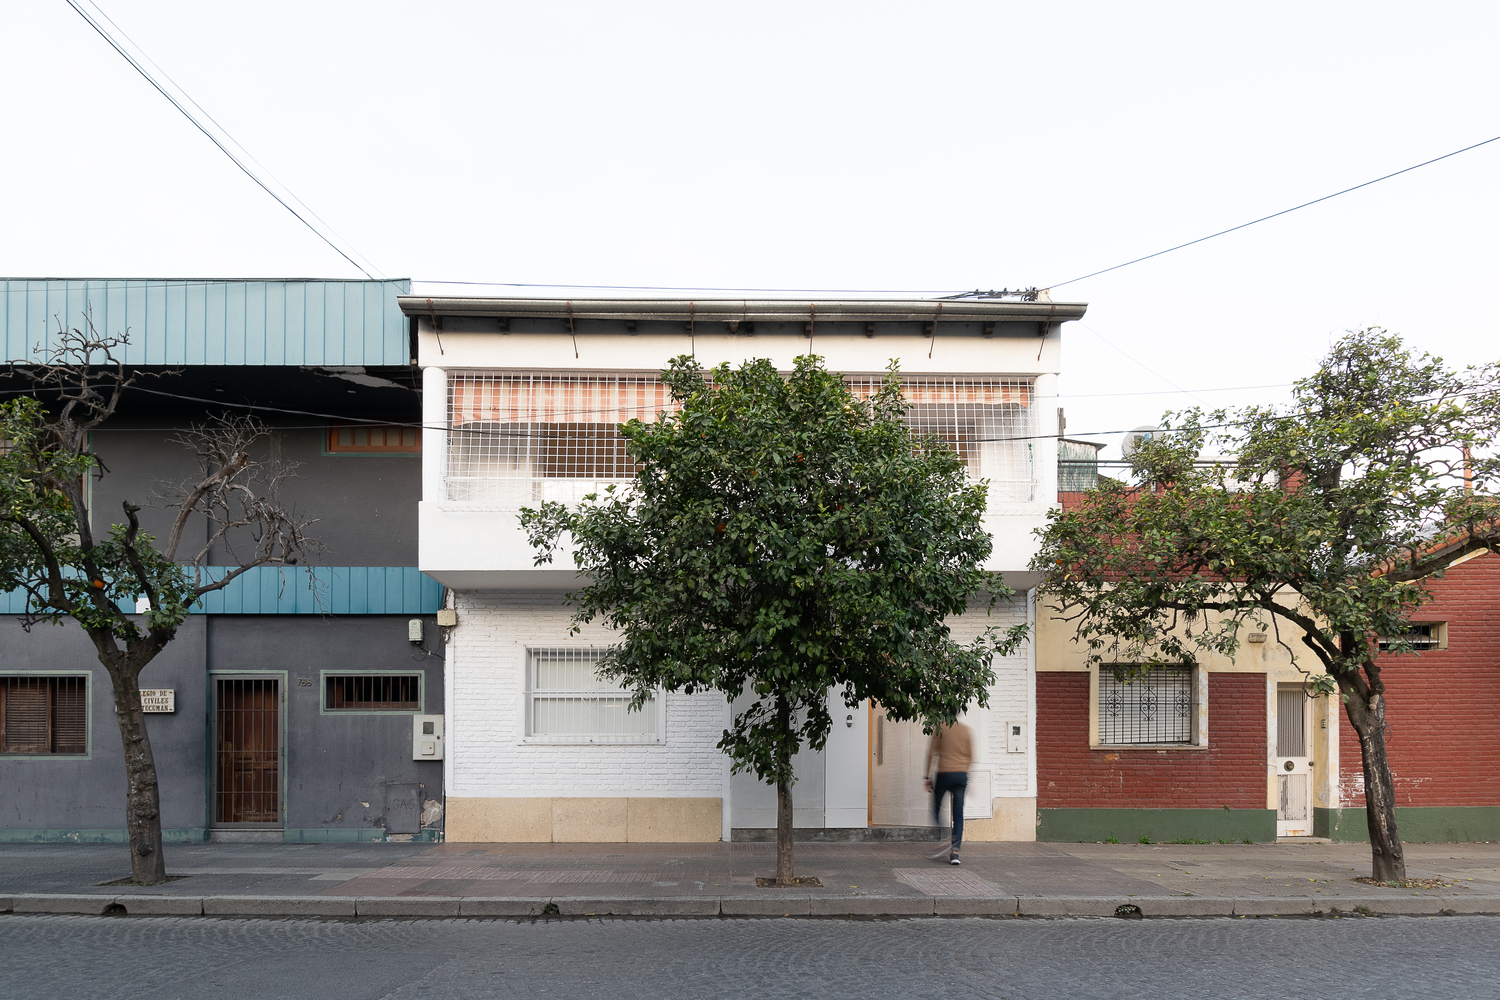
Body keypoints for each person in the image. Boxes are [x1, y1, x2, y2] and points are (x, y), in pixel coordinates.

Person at [924, 720, 972, 865]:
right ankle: (955, 853)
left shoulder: (940, 728)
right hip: (961, 775)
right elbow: (970, 755)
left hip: (945, 773)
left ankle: (944, 834)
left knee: (936, 806)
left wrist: (927, 776)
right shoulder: (965, 729)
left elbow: (931, 753)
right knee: (958, 813)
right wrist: (964, 771)